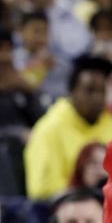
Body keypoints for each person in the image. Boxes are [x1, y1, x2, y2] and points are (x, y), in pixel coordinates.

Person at [24, 56, 112, 199]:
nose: (97, 98)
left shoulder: (109, 123)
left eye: (101, 91)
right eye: (89, 90)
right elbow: (42, 192)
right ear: (72, 91)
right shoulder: (49, 130)